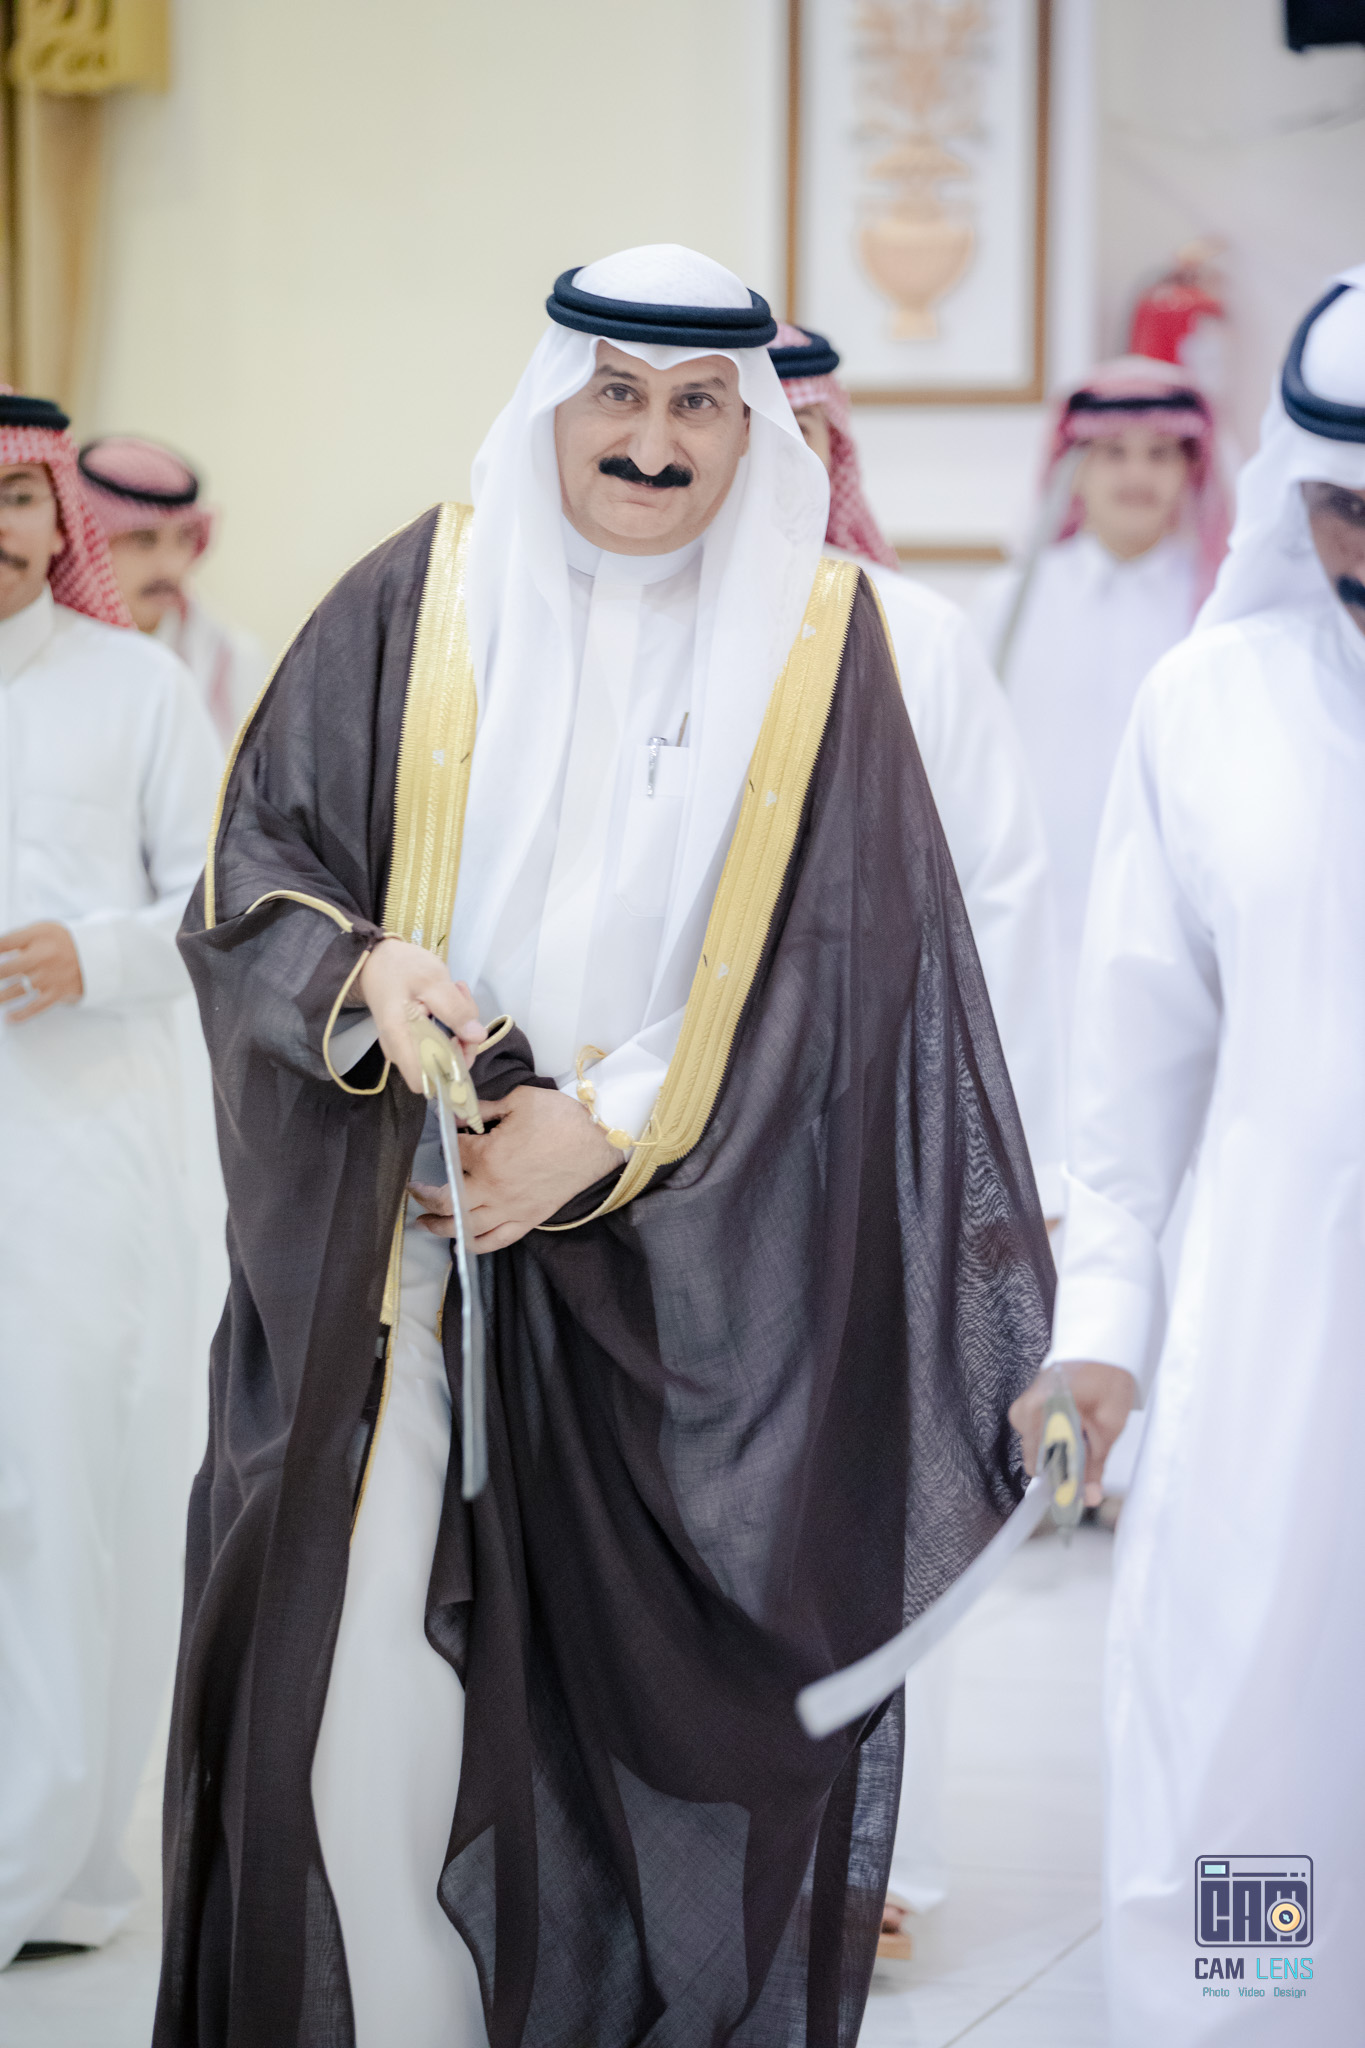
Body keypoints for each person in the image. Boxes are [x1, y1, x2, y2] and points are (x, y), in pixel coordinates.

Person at [156, 245, 1054, 2048]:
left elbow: (860, 961)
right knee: (364, 1699)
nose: (653, 440)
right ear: (555, 403)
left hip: (689, 1284)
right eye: (618, 395)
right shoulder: (420, 594)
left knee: (630, 1755)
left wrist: (611, 1124)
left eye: (700, 404)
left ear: (752, 429)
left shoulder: (827, 645)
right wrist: (369, 973)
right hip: (406, 1249)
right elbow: (261, 860)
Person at [1009, 266, 1365, 2045]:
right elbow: (1134, 1083)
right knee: (1250, 1722)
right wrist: (1100, 1330)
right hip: (1277, 1330)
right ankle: (1256, 2008)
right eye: (1352, 502)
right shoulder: (1213, 704)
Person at [771, 321, 1066, 1955]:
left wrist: (1001, 1172)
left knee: (878, 1506)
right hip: (662, 1158)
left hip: (882, 1150)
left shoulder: (917, 634)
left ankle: (875, 1862)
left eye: (806, 431)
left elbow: (1002, 902)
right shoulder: (630, 636)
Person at [0, 392, 221, 1966]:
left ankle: (54, 1861)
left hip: (81, 1166)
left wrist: (101, 954)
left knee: (63, 1498)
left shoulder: (136, 687)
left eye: (19, 500)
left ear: (53, 519)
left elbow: (226, 900)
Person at [975, 357, 1230, 1022]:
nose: (1137, 474)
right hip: (1030, 919)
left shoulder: (1223, 609)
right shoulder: (1008, 602)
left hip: (1180, 919)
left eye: (1159, 454)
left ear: (1191, 468)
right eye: (1113, 452)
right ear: (1075, 467)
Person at [79, 434, 268, 746]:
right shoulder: (41, 652)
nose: (172, 567)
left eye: (184, 538)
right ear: (84, 543)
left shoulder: (234, 661)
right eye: (144, 540)